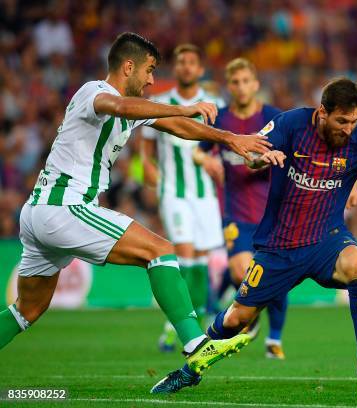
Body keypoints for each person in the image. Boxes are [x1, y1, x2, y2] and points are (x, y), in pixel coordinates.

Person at [0, 32, 270, 386]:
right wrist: (182, 105)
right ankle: (196, 343)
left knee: (28, 309)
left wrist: (229, 138)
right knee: (160, 251)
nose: (152, 80)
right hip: (64, 207)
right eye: (150, 70)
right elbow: (124, 108)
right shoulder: (93, 92)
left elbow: (178, 126)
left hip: (40, 212)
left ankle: (193, 342)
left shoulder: (134, 108)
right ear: (129, 66)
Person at [152, 77, 357, 394]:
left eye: (354, 121)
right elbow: (250, 154)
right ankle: (191, 369)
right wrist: (260, 159)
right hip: (279, 247)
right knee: (238, 318)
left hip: (327, 240)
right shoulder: (291, 124)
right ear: (322, 112)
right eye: (341, 121)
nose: (348, 128)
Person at [198, 58, 289, 359]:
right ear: (229, 85)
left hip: (272, 211)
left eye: (246, 81)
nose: (240, 87)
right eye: (235, 82)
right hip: (235, 210)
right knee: (242, 270)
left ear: (256, 84)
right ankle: (252, 317)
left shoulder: (273, 117)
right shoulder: (220, 119)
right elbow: (199, 152)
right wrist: (207, 160)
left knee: (275, 275)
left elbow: (291, 151)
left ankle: (274, 339)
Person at [140, 43, 225, 352]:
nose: (186, 67)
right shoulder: (159, 102)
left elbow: (221, 146)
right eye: (181, 62)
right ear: (175, 68)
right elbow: (146, 150)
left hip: (205, 196)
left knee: (201, 260)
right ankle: (180, 329)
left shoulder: (215, 104)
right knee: (186, 254)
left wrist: (218, 163)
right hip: (174, 192)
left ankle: (187, 324)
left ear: (200, 69)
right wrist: (147, 169)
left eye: (192, 62)